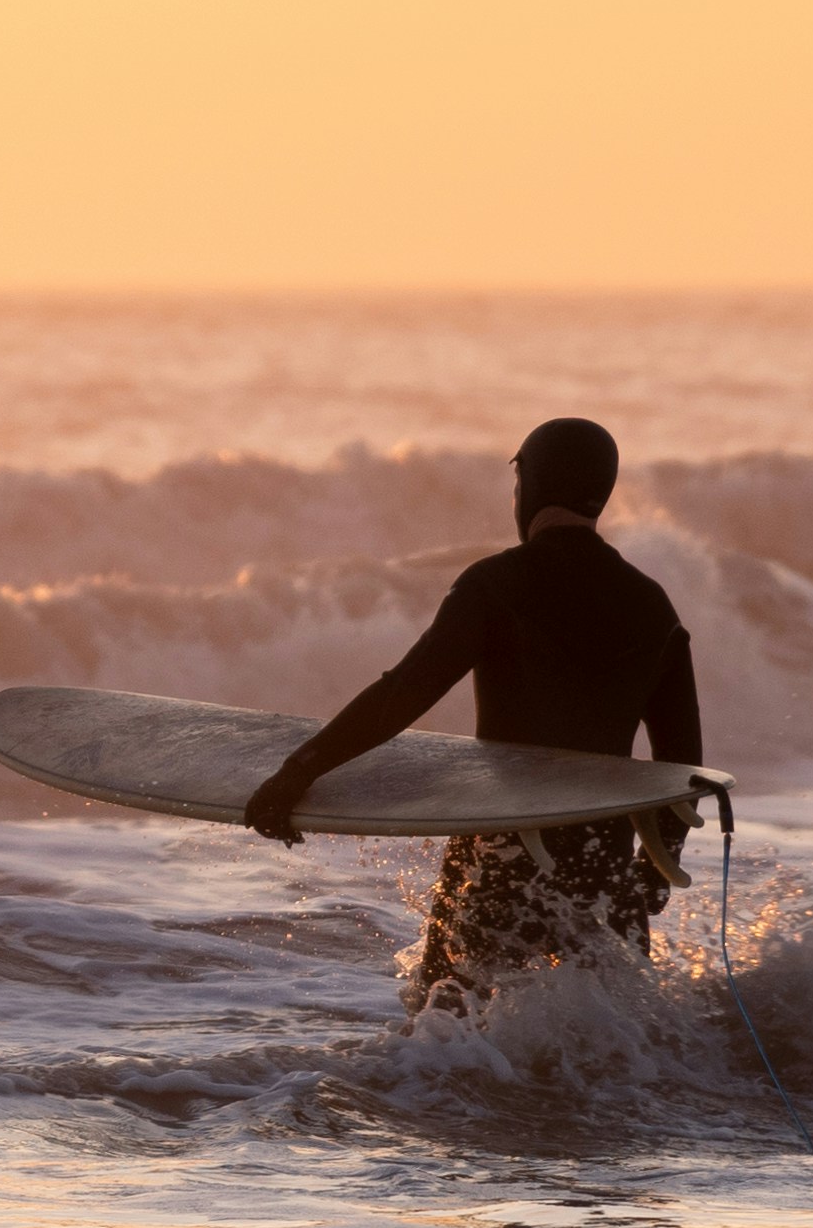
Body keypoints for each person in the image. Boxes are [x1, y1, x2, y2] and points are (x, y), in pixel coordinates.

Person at [242, 416, 704, 1004]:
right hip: (601, 868)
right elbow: (681, 760)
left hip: (502, 862)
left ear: (528, 484)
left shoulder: (497, 583)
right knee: (611, 1058)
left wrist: (299, 770)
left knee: (447, 1034)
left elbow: (401, 694)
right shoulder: (651, 604)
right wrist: (655, 872)